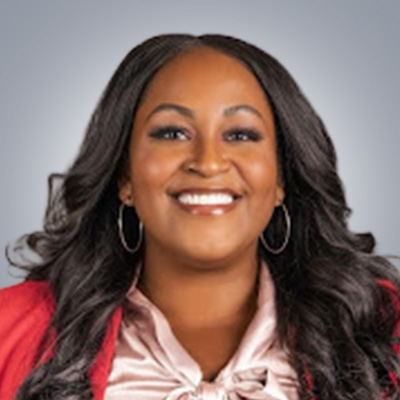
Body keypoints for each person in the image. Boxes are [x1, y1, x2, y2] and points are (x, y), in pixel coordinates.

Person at [0, 33, 399, 400]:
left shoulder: (385, 330)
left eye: (240, 135)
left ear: (281, 179)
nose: (208, 163)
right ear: (125, 177)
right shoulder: (9, 328)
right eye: (172, 133)